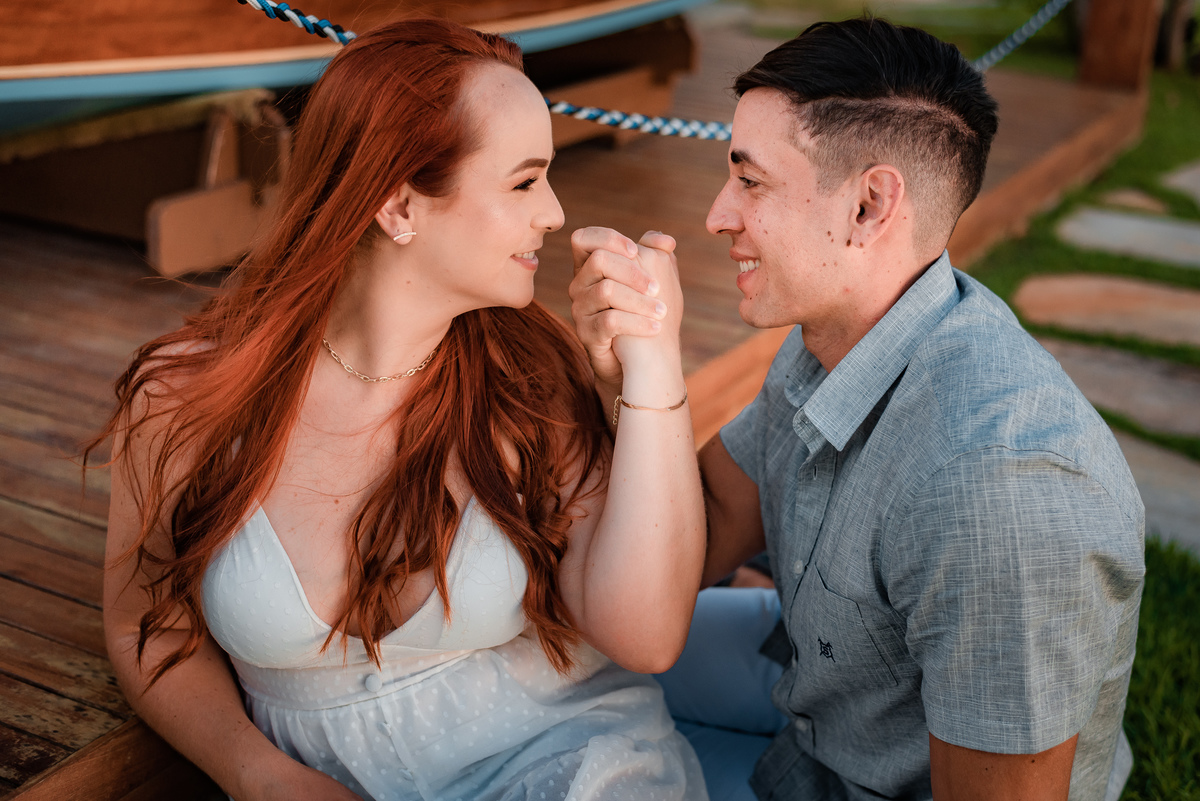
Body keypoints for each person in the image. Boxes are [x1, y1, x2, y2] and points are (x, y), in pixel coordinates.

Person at [93, 19, 710, 801]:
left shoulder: (530, 378)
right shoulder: (187, 398)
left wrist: (651, 369)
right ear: (398, 205)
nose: (554, 213)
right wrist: (257, 773)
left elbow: (646, 637)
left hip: (565, 768)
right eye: (524, 182)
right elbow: (141, 625)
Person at [569, 17, 1145, 801]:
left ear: (871, 206)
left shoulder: (999, 491)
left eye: (750, 179)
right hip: (808, 705)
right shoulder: (828, 337)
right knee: (551, 678)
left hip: (850, 780)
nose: (715, 216)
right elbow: (697, 524)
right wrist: (640, 371)